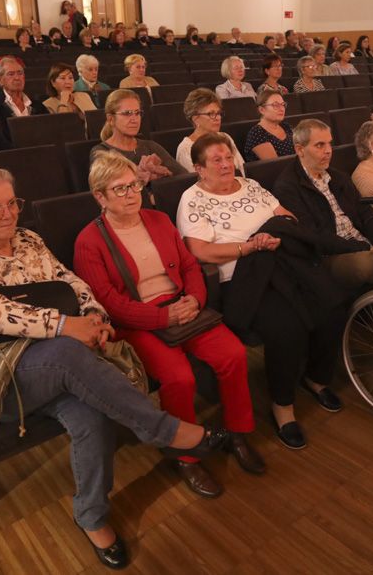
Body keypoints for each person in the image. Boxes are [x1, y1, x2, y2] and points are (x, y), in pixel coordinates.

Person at [0, 165, 227, 570]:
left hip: (50, 360)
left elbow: (73, 284)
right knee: (69, 355)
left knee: (89, 410)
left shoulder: (29, 240)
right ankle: (162, 430)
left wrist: (95, 319)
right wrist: (67, 325)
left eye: (12, 203)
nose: (8, 214)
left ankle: (91, 515)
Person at [74, 153, 263, 498]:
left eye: (134, 185)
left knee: (233, 354)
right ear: (100, 197)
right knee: (179, 378)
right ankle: (186, 456)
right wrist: (162, 317)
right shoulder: (90, 241)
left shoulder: (159, 219)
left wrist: (194, 298)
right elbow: (107, 301)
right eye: (120, 189)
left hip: (183, 308)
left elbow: (191, 266)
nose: (132, 194)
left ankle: (237, 431)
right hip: (140, 322)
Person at [178, 133, 348, 449]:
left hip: (280, 262)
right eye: (217, 160)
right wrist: (248, 247)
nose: (227, 164)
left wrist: (274, 237)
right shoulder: (192, 198)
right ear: (199, 168)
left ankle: (315, 377)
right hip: (242, 280)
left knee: (332, 304)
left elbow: (285, 216)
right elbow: (200, 251)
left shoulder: (251, 185)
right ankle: (283, 406)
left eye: (228, 157)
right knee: (287, 327)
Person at [273, 119, 373, 291]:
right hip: (329, 255)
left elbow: (363, 211)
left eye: (329, 144)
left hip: (362, 244)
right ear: (300, 149)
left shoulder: (337, 177)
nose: (328, 151)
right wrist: (367, 248)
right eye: (319, 145)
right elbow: (315, 236)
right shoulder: (287, 187)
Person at [90, 89, 185, 181]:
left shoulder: (150, 146)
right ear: (111, 119)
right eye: (127, 113)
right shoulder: (101, 152)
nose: (134, 119)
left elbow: (185, 176)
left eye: (137, 113)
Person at [176, 88, 244, 174]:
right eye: (211, 114)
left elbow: (242, 169)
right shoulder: (185, 149)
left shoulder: (225, 137)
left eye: (218, 113)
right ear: (195, 119)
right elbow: (199, 181)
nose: (218, 118)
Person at [0, 56, 46, 139]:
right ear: (0, 80)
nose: (17, 78)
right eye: (11, 74)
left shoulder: (38, 105)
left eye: (20, 73)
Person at [244, 90, 295, 161]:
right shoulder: (257, 133)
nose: (282, 109)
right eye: (276, 105)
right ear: (262, 110)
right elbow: (276, 165)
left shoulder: (286, 126)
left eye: (283, 104)